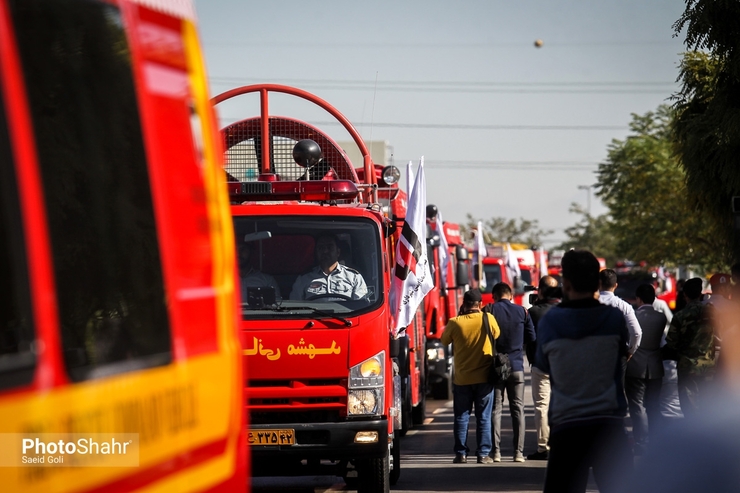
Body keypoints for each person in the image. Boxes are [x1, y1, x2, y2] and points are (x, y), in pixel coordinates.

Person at [535, 249, 633, 493]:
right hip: (610, 428)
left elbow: (544, 365)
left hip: (567, 427)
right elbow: (622, 353)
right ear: (598, 284)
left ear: (565, 283)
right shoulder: (614, 318)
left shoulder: (551, 321)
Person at [440, 289, 500, 464]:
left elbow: (444, 341)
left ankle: (461, 454)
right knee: (483, 417)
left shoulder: (455, 322)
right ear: (480, 304)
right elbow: (497, 334)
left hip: (462, 379)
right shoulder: (488, 319)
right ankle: (483, 454)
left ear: (464, 304)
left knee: (461, 417)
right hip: (484, 377)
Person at [484, 282, 536, 463]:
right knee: (518, 410)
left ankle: (496, 453)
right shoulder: (522, 312)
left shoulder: (489, 310)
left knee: (496, 409)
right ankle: (518, 453)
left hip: (497, 367)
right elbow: (532, 337)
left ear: (494, 296)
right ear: (511, 295)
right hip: (516, 367)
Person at [664, 277, 716, 418]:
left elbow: (671, 343)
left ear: (684, 295)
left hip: (688, 367)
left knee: (690, 407)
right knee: (708, 405)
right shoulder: (712, 313)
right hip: (708, 366)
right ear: (700, 293)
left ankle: (694, 437)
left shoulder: (680, 316)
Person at [625, 283, 666, 455]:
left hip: (635, 367)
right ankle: (656, 442)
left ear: (638, 299)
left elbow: (631, 338)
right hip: (656, 366)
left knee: (637, 406)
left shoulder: (634, 316)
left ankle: (642, 442)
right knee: (654, 405)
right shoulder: (661, 317)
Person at [524, 275, 561, 461]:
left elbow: (529, 340)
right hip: (562, 366)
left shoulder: (533, 312)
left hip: (540, 365)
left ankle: (543, 447)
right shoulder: (565, 311)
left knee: (541, 407)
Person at [290, 233, 367, 300]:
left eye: (330, 247)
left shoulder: (354, 277)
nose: (325, 251)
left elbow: (362, 306)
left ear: (338, 252)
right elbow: (294, 308)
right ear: (316, 253)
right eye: (321, 248)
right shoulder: (304, 279)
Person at [598, 268, 642, 357]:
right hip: (617, 354)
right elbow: (637, 333)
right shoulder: (624, 306)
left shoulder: (589, 304)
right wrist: (630, 351)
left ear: (599, 284)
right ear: (615, 285)